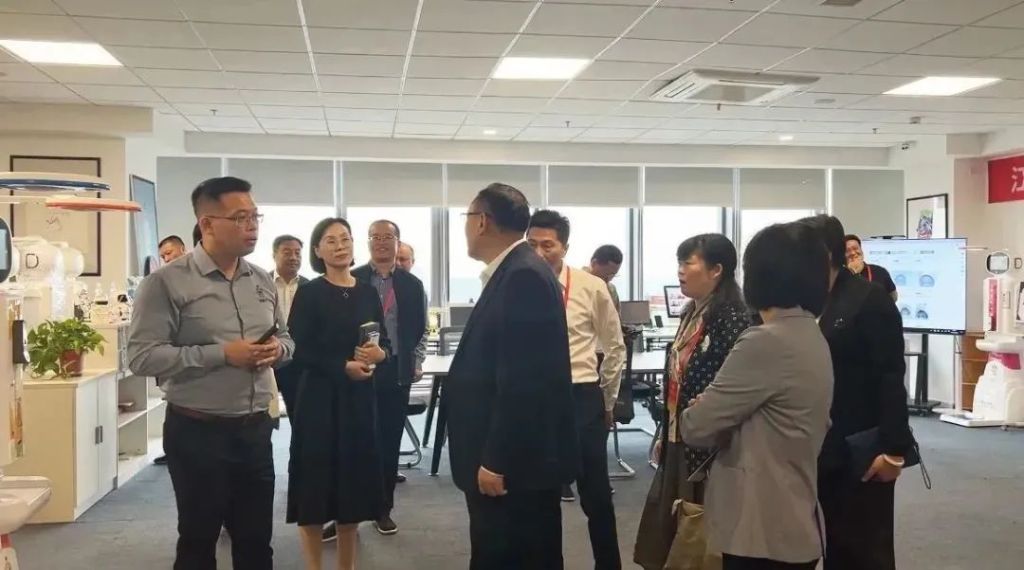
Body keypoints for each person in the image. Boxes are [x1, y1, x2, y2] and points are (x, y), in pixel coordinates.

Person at [127, 176, 293, 570]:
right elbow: (142, 357)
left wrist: (277, 351)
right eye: (240, 218)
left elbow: (287, 338)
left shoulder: (261, 279)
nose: (251, 226)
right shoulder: (166, 282)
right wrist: (222, 355)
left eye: (255, 217)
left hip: (255, 430)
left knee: (257, 543)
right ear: (206, 224)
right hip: (198, 433)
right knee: (198, 542)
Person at [679, 222, 834, 570]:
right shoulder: (810, 333)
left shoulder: (764, 341)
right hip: (796, 513)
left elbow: (697, 426)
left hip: (759, 525)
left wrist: (704, 407)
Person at [446, 183, 578, 569]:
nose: (466, 228)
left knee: (511, 554)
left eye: (467, 218)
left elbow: (524, 381)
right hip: (513, 461)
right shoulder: (514, 271)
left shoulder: (522, 276)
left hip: (514, 467)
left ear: (482, 221)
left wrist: (496, 459)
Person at [801, 215, 914, 570]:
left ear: (825, 252)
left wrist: (894, 450)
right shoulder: (808, 299)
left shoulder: (868, 298)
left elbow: (891, 374)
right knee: (824, 542)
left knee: (863, 551)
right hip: (818, 446)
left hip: (862, 448)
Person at [635, 233, 751, 570]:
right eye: (679, 263)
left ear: (716, 270)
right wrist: (665, 431)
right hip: (679, 432)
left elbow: (730, 385)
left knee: (696, 526)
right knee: (670, 523)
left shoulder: (732, 316)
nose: (680, 271)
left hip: (708, 445)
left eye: (688, 263)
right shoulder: (692, 311)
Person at [286, 217, 389, 570]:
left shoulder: (367, 292)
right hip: (318, 401)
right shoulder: (310, 292)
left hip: (358, 402)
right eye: (330, 241)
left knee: (352, 493)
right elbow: (298, 349)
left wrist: (379, 354)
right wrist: (341, 366)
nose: (340, 246)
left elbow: (383, 342)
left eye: (345, 238)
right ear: (318, 250)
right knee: (314, 490)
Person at [527, 210, 626, 570]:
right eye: (531, 244)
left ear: (565, 248)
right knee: (541, 496)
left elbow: (614, 347)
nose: (539, 252)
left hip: (581, 395)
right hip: (535, 397)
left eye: (548, 245)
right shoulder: (517, 284)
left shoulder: (590, 286)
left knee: (595, 493)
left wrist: (608, 401)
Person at [344, 220, 427, 538]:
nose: (381, 242)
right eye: (374, 237)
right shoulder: (353, 278)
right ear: (367, 242)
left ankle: (383, 509)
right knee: (353, 442)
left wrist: (408, 360)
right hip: (356, 369)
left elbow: (418, 327)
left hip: (394, 372)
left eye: (387, 237)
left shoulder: (411, 284)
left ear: (397, 242)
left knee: (389, 443)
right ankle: (347, 512)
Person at [269, 235, 308, 416]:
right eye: (287, 252)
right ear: (274, 255)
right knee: (265, 417)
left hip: (299, 362)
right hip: (268, 360)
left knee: (300, 415)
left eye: (297, 253)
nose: (293, 257)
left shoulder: (310, 287)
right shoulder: (261, 282)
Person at [845, 234, 898, 301]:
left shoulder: (881, 272)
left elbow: (893, 298)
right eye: (848, 250)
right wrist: (852, 272)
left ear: (861, 250)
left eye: (855, 248)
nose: (853, 253)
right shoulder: (839, 277)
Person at [586, 244, 623, 311]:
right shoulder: (576, 284)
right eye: (605, 275)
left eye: (613, 274)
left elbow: (616, 316)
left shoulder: (611, 290)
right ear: (594, 263)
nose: (609, 279)